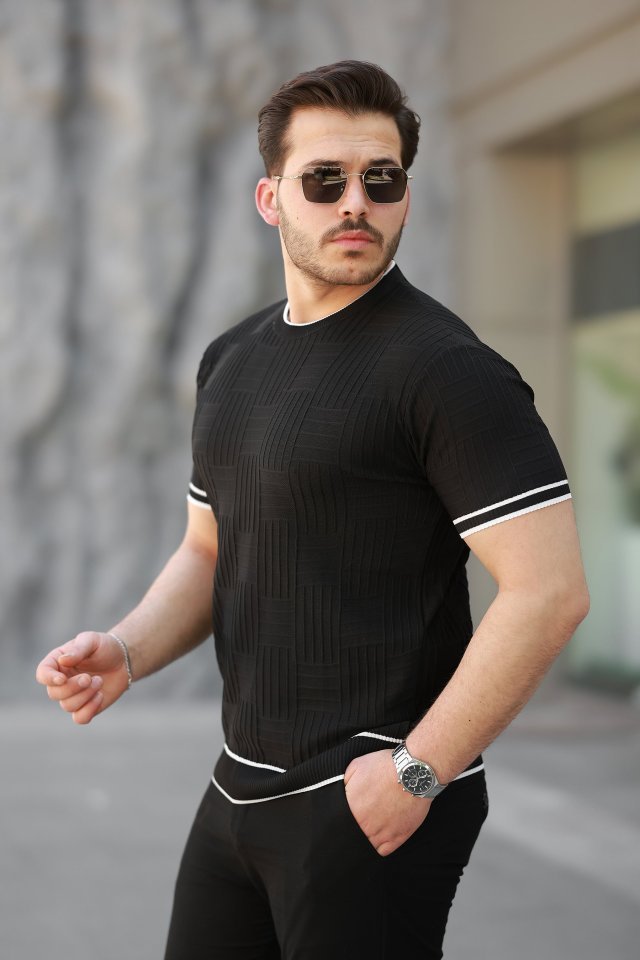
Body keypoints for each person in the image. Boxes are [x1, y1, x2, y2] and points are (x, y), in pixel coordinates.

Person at [36, 60, 590, 959]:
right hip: (239, 788)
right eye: (324, 180)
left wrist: (417, 772)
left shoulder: (448, 372)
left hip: (370, 798)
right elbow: (210, 551)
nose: (355, 203)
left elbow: (550, 592)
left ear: (405, 195)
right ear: (271, 198)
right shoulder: (232, 360)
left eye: (382, 179)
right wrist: (127, 650)